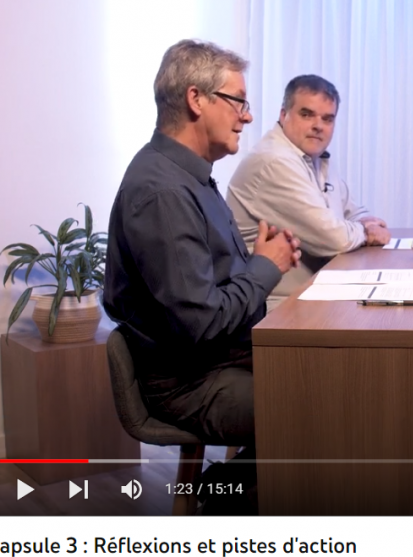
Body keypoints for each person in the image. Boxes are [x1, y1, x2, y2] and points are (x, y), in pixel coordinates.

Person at [104, 39, 301, 460]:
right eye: (238, 101)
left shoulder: (187, 176)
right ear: (196, 99)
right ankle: (226, 496)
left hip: (223, 359)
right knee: (320, 409)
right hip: (193, 381)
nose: (247, 116)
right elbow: (203, 323)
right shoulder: (163, 192)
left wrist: (258, 260)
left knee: (334, 380)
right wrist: (265, 267)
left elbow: (208, 289)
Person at [226, 75, 391, 307]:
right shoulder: (274, 161)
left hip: (317, 294)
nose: (318, 126)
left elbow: (354, 211)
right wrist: (365, 231)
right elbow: (334, 238)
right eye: (306, 114)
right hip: (274, 307)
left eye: (327, 119)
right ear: (283, 115)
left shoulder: (315, 158)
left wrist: (366, 222)